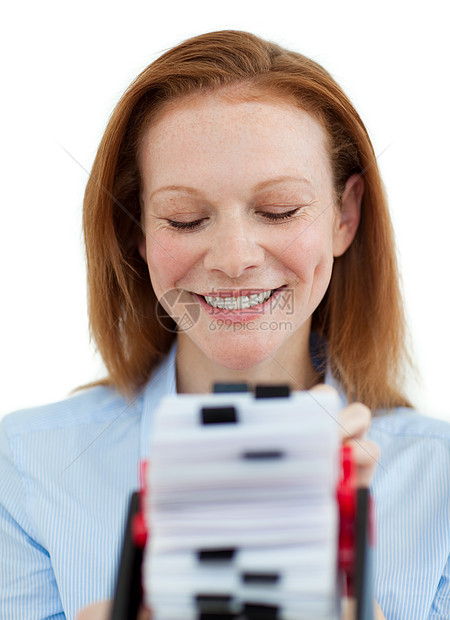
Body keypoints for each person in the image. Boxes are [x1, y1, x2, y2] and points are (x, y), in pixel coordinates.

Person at [1, 30, 448, 620]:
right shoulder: (27, 468)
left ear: (345, 215)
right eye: (185, 219)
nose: (234, 259)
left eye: (279, 211)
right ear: (138, 230)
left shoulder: (437, 485)